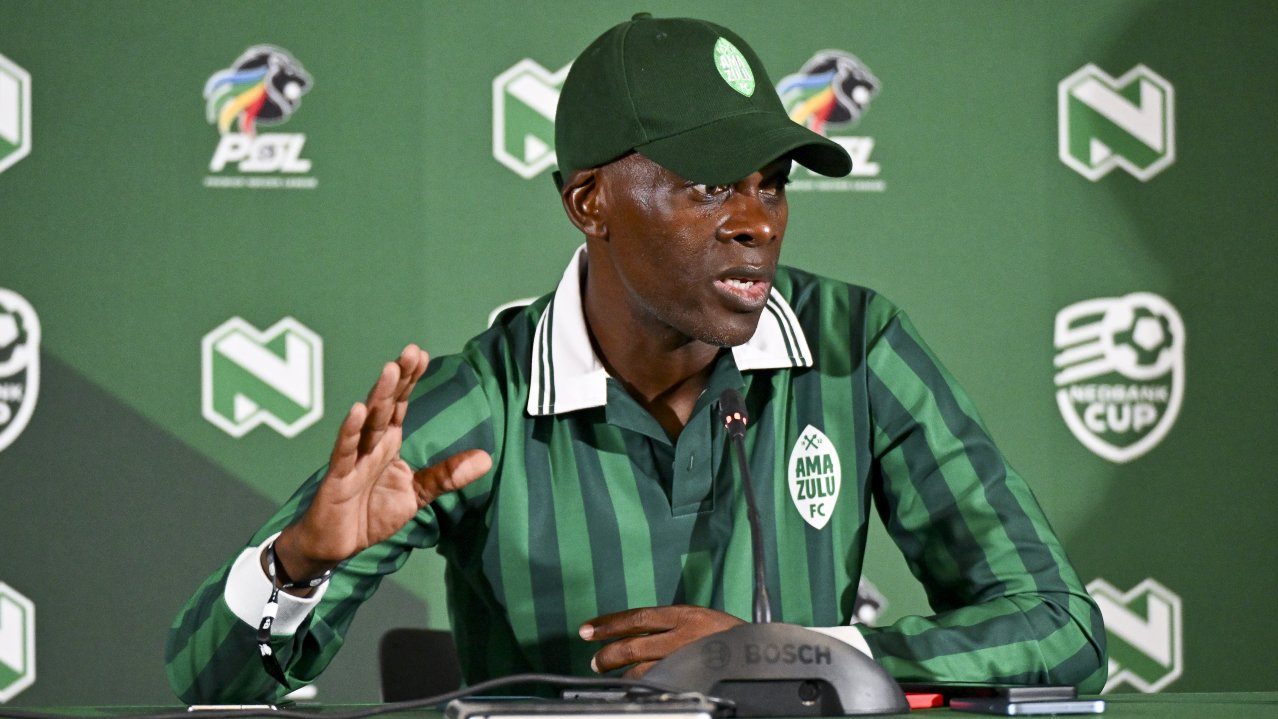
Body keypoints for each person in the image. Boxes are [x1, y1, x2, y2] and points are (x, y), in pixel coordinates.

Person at [166, 13, 1106, 704]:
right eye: (706, 184)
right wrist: (298, 563)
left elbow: (1062, 628)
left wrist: (798, 652)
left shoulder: (853, 345)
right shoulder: (483, 401)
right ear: (590, 202)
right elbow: (202, 680)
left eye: (771, 185)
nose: (755, 222)